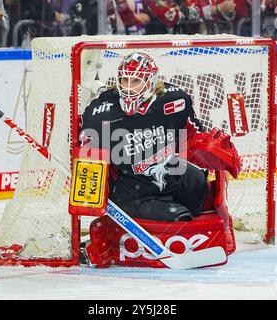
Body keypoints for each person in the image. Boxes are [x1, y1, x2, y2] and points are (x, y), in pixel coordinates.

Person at [80, 52, 241, 223]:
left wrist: (205, 146)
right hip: (132, 191)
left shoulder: (174, 101)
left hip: (169, 173)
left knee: (199, 184)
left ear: (151, 81)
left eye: (135, 81)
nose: (128, 87)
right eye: (124, 80)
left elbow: (192, 134)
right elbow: (86, 152)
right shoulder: (101, 112)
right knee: (180, 218)